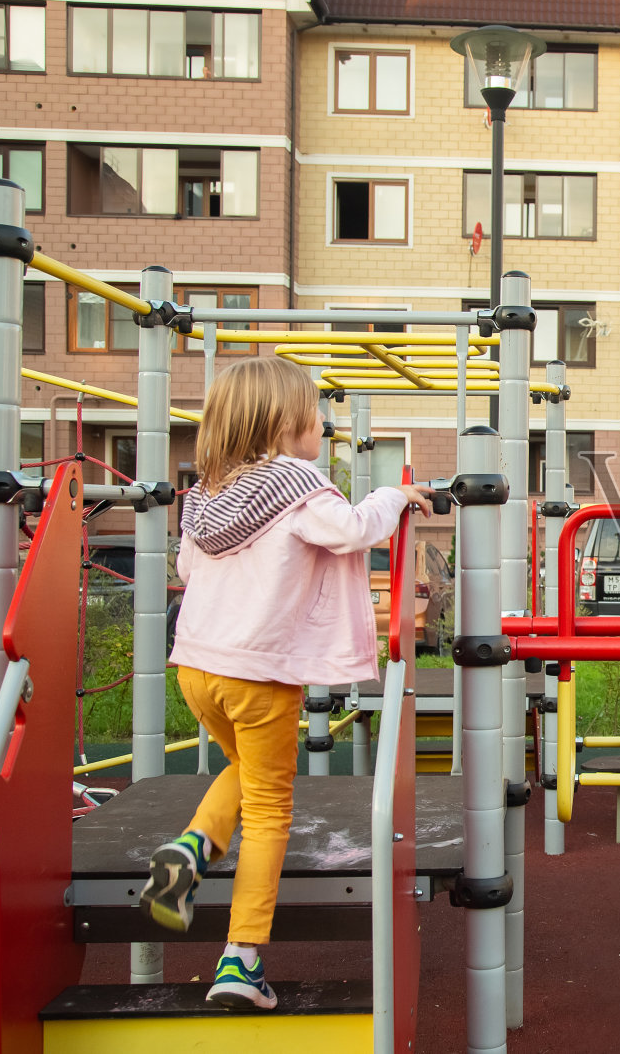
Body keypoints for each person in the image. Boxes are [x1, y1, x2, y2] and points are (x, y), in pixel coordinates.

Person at [139, 356, 432, 1010]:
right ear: (283, 423)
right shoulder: (297, 484)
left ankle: (192, 847)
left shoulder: (208, 494)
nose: (322, 425)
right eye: (314, 415)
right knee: (270, 808)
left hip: (196, 667)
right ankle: (241, 958)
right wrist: (393, 496)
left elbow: (189, 565)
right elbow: (354, 529)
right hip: (261, 674)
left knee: (244, 769)